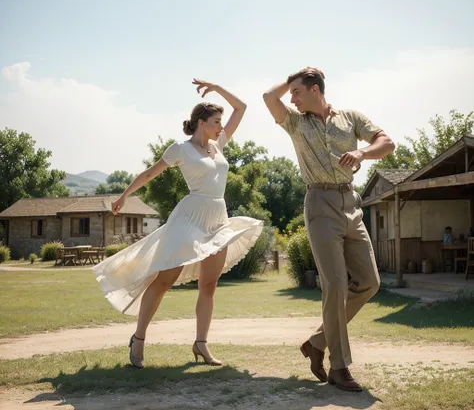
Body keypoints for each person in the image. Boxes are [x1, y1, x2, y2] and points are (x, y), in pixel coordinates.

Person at [94, 79, 263, 369]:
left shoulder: (219, 144)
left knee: (209, 284)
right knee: (163, 281)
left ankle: (201, 345)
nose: (221, 126)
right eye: (215, 121)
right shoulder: (180, 149)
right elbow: (149, 174)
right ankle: (139, 338)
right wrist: (123, 196)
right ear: (200, 122)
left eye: (222, 122)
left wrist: (215, 87)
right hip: (189, 218)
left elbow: (242, 107)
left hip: (217, 217)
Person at [263, 67, 395, 392]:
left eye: (296, 92)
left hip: (351, 203)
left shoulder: (350, 117)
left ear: (315, 90)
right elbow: (268, 97)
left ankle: (316, 343)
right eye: (290, 92)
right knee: (335, 285)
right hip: (319, 204)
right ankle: (339, 368)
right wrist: (293, 76)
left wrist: (362, 151)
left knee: (369, 282)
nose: (290, 98)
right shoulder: (295, 123)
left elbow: (387, 142)